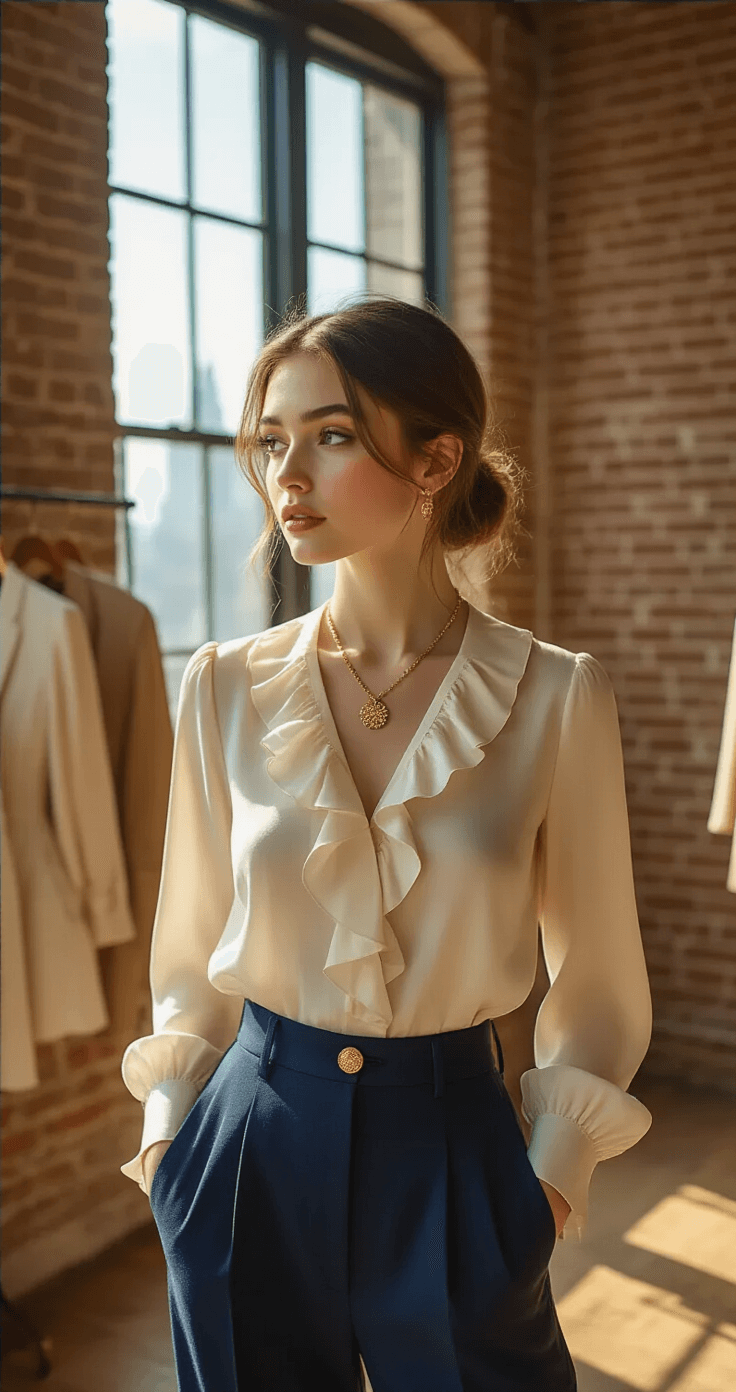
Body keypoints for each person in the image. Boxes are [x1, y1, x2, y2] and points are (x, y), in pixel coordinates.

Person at [120, 296, 653, 1392]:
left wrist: (544, 1187)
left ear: (433, 459)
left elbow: (596, 980)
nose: (288, 475)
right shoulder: (222, 686)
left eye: (330, 434)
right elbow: (186, 954)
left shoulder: (554, 695)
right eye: (273, 440)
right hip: (244, 1155)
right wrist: (173, 1145)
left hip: (456, 1154)